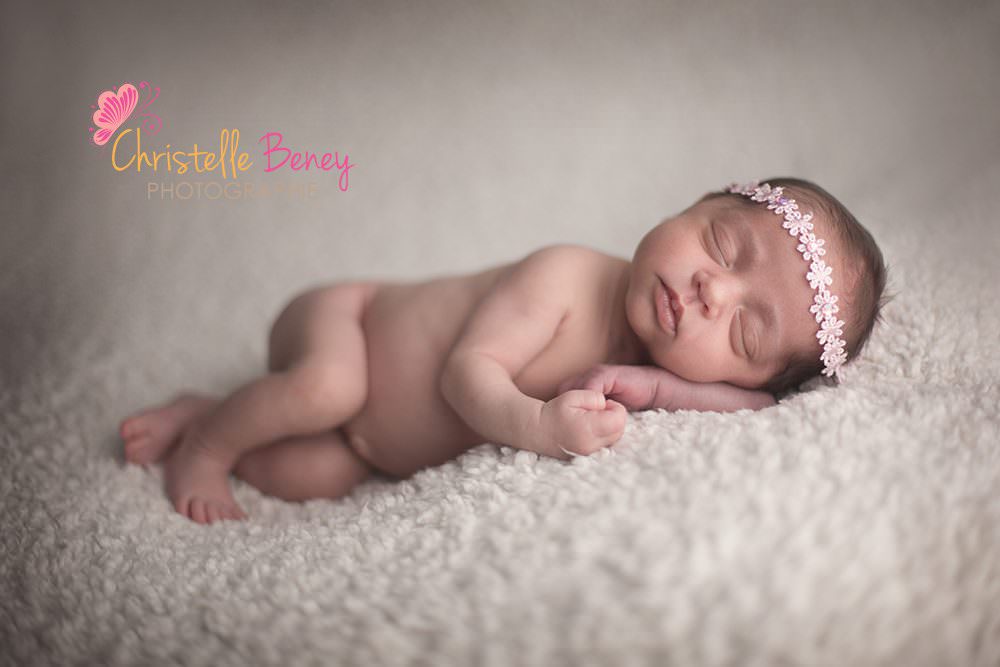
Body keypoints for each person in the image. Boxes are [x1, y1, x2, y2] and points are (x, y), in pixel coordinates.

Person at [120, 177, 889, 524]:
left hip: (367, 447)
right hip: (344, 322)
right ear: (695, 202)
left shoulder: (651, 375)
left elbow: (745, 402)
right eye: (722, 243)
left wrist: (753, 393)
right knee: (326, 388)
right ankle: (208, 442)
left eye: (745, 332)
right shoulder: (566, 275)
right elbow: (466, 374)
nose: (713, 290)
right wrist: (539, 426)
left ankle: (207, 409)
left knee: (310, 475)